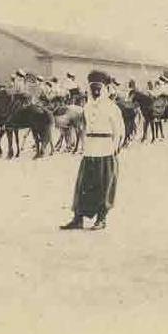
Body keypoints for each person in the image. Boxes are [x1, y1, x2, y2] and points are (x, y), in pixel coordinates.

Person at [61, 70, 124, 231]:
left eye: (98, 88)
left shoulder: (112, 108)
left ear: (103, 89)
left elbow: (119, 130)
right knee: (83, 185)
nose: (95, 92)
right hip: (90, 150)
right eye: (93, 88)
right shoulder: (87, 107)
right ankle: (78, 218)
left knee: (104, 185)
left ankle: (101, 219)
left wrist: (115, 148)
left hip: (105, 150)